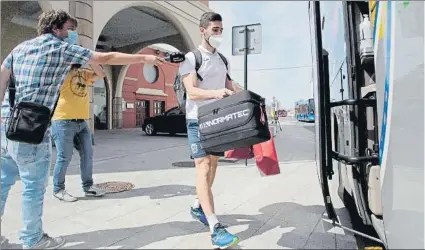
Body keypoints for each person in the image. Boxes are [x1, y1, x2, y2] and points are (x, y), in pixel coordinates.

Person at [0, 10, 163, 249]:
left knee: (3, 181)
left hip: (6, 126)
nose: (72, 34)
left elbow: (3, 78)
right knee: (33, 186)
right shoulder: (59, 48)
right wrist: (143, 59)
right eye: (69, 29)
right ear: (56, 29)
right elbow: (104, 58)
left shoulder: (20, 48)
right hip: (31, 130)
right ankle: (32, 239)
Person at [178, 12, 243, 249]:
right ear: (202, 30)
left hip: (218, 121)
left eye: (221, 30)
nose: (219, 34)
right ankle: (215, 228)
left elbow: (229, 85)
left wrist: (248, 96)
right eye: (215, 30)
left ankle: (198, 206)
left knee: (213, 165)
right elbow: (192, 92)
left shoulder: (222, 60)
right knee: (203, 167)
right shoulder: (191, 58)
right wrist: (217, 93)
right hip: (197, 120)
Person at [51, 63, 106, 202]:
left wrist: (91, 59)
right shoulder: (60, 71)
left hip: (81, 122)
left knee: (87, 154)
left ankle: (88, 187)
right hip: (62, 120)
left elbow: (101, 74)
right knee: (64, 157)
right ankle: (58, 189)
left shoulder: (84, 73)